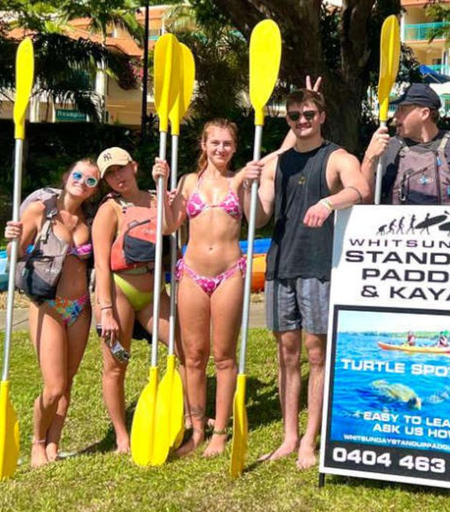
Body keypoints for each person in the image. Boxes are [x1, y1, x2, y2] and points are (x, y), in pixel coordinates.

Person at [255, 88, 368, 468]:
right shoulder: (276, 164)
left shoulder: (336, 157)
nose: (301, 122)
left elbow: (360, 189)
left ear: (321, 116)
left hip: (320, 267)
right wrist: (245, 188)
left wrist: (327, 202)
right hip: (280, 267)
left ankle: (309, 438)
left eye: (308, 114)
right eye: (293, 116)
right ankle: (289, 435)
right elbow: (260, 217)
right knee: (287, 354)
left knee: (316, 354)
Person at [155, 119, 260, 457]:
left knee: (224, 355)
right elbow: (169, 225)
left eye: (227, 143)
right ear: (203, 144)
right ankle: (197, 427)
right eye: (214, 142)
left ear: (235, 147)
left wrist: (247, 185)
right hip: (192, 274)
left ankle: (220, 430)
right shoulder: (188, 182)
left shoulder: (241, 180)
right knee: (194, 355)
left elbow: (257, 218)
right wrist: (161, 185)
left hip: (230, 272)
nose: (220, 149)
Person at [4, 160, 100, 467]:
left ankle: (54, 443)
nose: (82, 182)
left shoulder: (90, 219)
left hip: (79, 308)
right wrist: (12, 239)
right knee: (54, 386)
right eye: (78, 175)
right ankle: (37, 442)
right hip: (47, 306)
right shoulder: (39, 211)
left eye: (91, 181)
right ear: (66, 174)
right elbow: (17, 254)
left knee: (67, 383)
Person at [92, 147, 175, 455]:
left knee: (185, 350)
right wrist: (107, 311)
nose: (118, 177)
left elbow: (177, 227)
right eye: (110, 174)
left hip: (155, 292)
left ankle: (186, 412)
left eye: (121, 169)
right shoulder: (109, 209)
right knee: (116, 364)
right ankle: (122, 435)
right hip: (120, 291)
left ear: (134, 166)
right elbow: (101, 264)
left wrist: (168, 189)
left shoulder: (157, 199)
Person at [362, 83, 450, 205]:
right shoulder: (389, 148)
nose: (396, 115)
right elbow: (364, 200)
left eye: (402, 109)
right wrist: (369, 158)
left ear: (424, 113)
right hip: (399, 228)